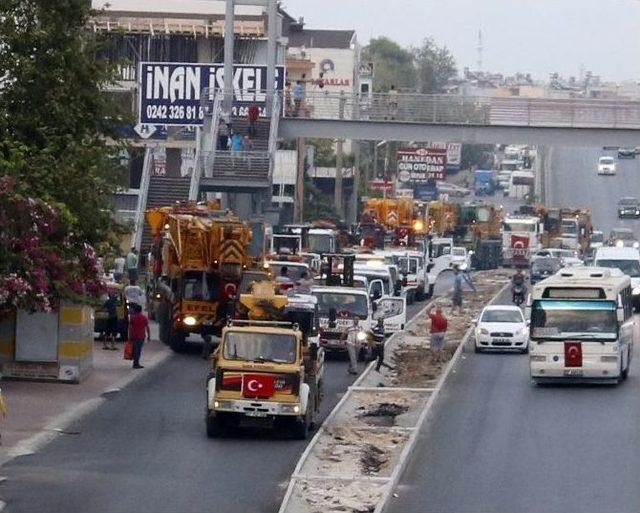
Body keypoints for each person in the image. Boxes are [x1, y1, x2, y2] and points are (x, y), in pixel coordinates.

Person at [128, 303, 150, 369]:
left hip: (134, 336)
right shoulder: (144, 318)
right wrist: (149, 336)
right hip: (141, 336)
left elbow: (130, 327)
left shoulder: (133, 318)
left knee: (135, 350)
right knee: (138, 350)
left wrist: (129, 336)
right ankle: (136, 363)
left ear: (135, 310)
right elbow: (147, 327)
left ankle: (135, 362)